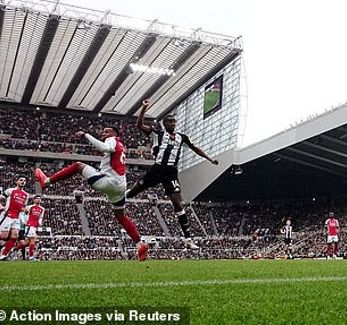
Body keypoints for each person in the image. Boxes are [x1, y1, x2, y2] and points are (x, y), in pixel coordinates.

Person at [34, 127, 148, 262]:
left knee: (78, 166)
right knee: (121, 216)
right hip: (120, 185)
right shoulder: (121, 146)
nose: (104, 134)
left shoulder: (112, 140)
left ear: (115, 133)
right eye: (103, 132)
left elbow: (105, 148)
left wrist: (86, 135)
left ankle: (47, 181)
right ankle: (139, 244)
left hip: (109, 182)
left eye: (107, 131)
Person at [126, 99, 218, 250]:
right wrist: (143, 109)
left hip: (171, 173)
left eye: (174, 121)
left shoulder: (182, 137)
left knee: (178, 204)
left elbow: (195, 148)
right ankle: (120, 201)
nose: (173, 123)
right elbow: (139, 126)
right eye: (170, 121)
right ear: (164, 124)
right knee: (132, 192)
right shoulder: (158, 134)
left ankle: (188, 239)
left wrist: (209, 158)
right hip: (157, 169)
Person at [0, 177, 29, 261]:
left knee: (15, 236)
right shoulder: (10, 191)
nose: (23, 181)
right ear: (16, 181)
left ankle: (3, 256)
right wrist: (0, 207)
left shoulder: (26, 195)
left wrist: (25, 210)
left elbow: (23, 207)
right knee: (4, 236)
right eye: (21, 180)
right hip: (7, 215)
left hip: (17, 217)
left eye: (24, 180)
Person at [24, 195, 45, 261]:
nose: (38, 200)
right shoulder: (29, 207)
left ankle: (13, 249)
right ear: (34, 200)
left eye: (40, 199)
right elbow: (23, 214)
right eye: (37, 198)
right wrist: (25, 222)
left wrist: (40, 222)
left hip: (35, 226)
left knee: (27, 242)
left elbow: (41, 217)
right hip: (30, 225)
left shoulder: (42, 209)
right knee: (33, 239)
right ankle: (31, 257)